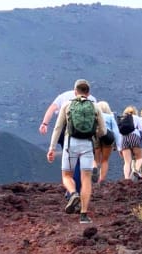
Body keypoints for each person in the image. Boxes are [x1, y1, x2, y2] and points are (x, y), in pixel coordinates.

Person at [47, 79, 106, 224]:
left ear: (75, 91)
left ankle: (73, 194)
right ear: (88, 93)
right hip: (87, 145)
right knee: (86, 179)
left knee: (67, 175)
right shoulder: (95, 106)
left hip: (70, 144)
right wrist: (93, 135)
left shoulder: (67, 105)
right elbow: (103, 131)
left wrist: (52, 148)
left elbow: (58, 128)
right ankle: (84, 215)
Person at [39, 86, 97, 196]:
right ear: (87, 92)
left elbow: (52, 109)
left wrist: (44, 124)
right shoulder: (92, 99)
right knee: (81, 163)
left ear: (75, 90)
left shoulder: (63, 97)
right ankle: (76, 191)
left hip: (66, 132)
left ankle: (72, 191)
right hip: (86, 135)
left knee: (70, 163)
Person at [119, 106, 142, 180]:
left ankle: (126, 179)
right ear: (135, 112)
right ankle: (135, 170)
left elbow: (119, 133)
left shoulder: (122, 119)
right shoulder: (136, 118)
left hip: (124, 138)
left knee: (127, 162)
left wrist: (119, 147)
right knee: (140, 157)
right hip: (134, 136)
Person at [93, 101, 122, 183]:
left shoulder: (94, 116)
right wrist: (119, 146)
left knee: (95, 159)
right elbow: (116, 132)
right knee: (105, 160)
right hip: (108, 136)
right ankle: (101, 180)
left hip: (96, 135)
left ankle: (94, 168)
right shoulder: (110, 117)